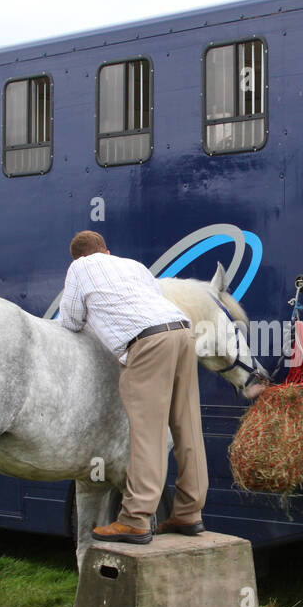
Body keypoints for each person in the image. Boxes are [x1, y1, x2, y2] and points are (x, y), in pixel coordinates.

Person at [59, 230, 206, 544]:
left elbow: (70, 321)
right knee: (187, 427)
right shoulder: (134, 266)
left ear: (77, 257)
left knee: (146, 432)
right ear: (107, 251)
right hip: (182, 332)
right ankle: (190, 512)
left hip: (147, 342)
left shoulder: (79, 269)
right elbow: (155, 299)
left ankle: (135, 519)